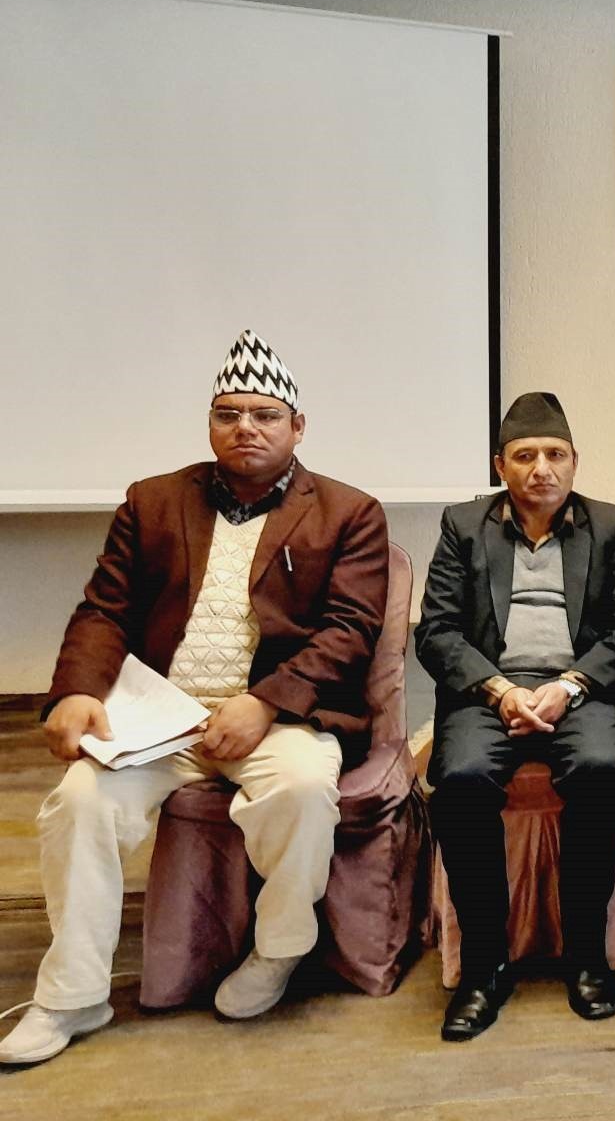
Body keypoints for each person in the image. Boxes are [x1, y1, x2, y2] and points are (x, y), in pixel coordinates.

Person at [3, 332, 388, 1065]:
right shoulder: (153, 500)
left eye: (265, 414)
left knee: (304, 791)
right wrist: (78, 693)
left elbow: (350, 630)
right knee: (80, 802)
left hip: (278, 717)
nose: (246, 427)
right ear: (209, 423)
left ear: (297, 427)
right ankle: (73, 995)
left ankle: (278, 951)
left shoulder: (348, 511)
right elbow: (104, 611)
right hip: (161, 719)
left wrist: (266, 702)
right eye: (228, 412)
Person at [415, 392, 615, 1041]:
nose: (542, 469)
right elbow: (437, 633)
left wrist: (572, 685)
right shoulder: (463, 526)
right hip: (487, 692)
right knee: (461, 779)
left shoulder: (610, 526)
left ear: (575, 462)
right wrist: (499, 691)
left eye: (556, 455)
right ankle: (484, 967)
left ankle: (586, 955)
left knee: (600, 771)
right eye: (525, 456)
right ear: (501, 465)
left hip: (579, 691)